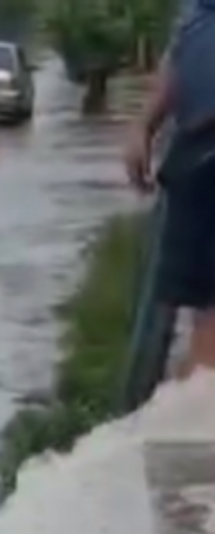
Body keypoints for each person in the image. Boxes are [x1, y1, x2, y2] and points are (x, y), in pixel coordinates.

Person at [124, 0, 215, 376]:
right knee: (204, 308)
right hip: (198, 156)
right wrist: (143, 127)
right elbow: (179, 54)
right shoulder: (197, 12)